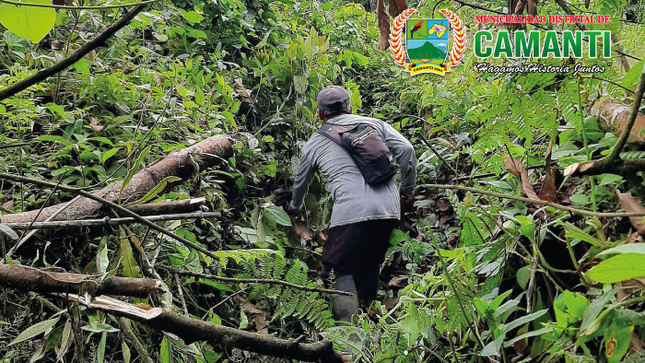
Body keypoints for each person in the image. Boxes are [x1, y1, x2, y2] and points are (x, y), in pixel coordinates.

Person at [286, 86, 417, 322]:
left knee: (338, 268)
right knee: (368, 262)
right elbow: (407, 150)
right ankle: (368, 320)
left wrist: (293, 209)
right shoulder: (374, 124)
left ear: (319, 114)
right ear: (351, 108)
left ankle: (349, 337)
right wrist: (406, 191)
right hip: (388, 209)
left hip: (351, 212)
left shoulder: (315, 143)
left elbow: (300, 185)